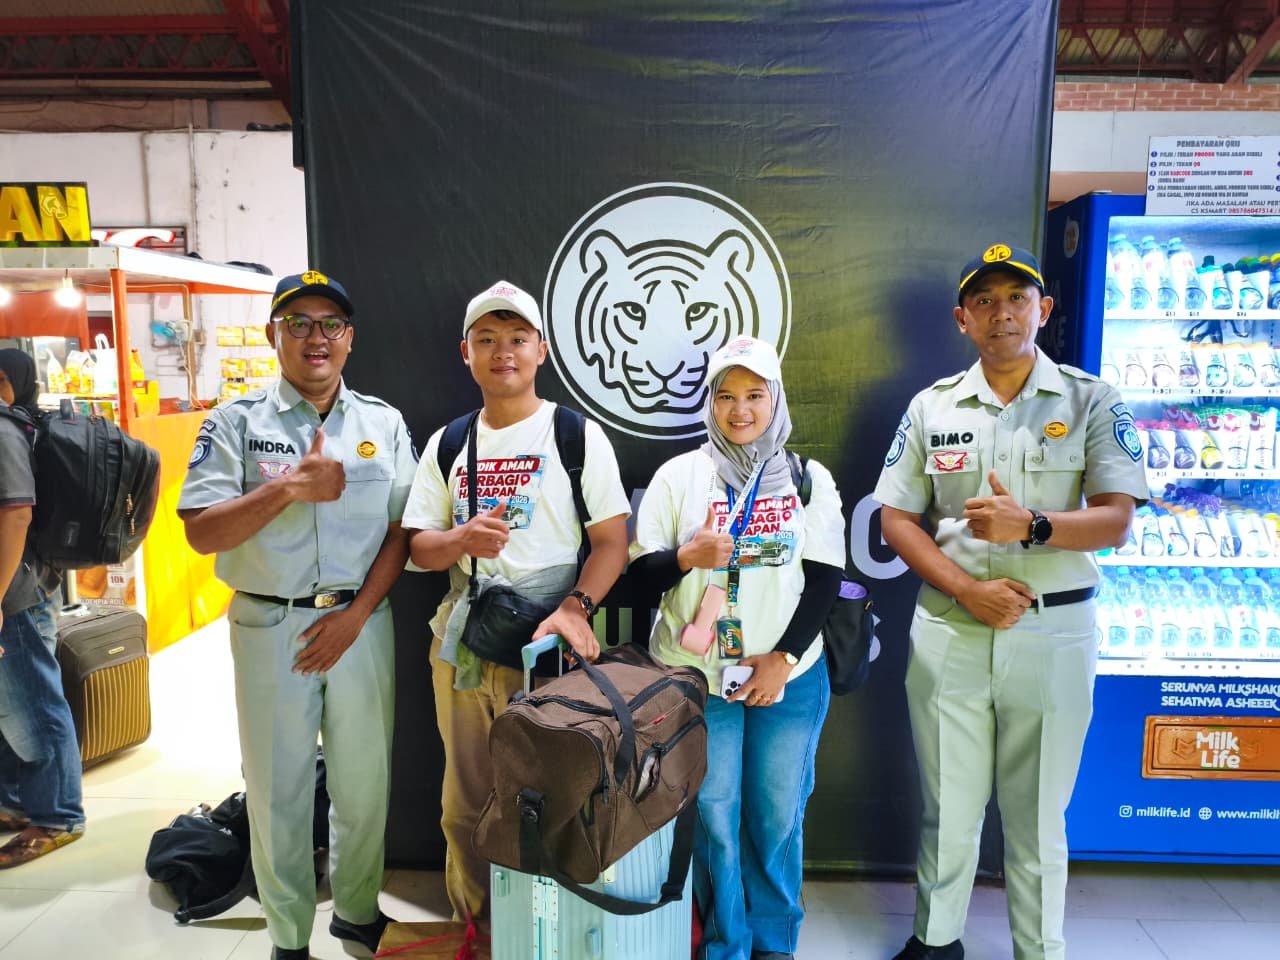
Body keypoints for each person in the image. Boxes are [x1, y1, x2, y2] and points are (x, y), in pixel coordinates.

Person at [873, 244, 1148, 960]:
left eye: (1017, 298)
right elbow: (896, 518)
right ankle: (936, 943)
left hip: (1052, 635)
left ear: (1043, 310)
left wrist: (1034, 525)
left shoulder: (1091, 398)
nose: (1003, 313)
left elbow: (1117, 519)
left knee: (1036, 817)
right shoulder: (932, 406)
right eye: (986, 301)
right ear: (963, 319)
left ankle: (1039, 950)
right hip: (951, 628)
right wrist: (967, 588)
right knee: (950, 808)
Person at [178, 271, 418, 960]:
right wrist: (288, 489)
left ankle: (357, 913)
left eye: (330, 324)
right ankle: (287, 936)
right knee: (277, 789)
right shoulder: (234, 422)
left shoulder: (383, 422)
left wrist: (356, 615)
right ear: (272, 335)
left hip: (360, 623)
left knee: (364, 784)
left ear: (350, 339)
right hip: (269, 625)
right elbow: (201, 531)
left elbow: (402, 533)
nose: (316, 337)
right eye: (299, 323)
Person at [401, 280, 630, 923]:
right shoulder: (449, 442)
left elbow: (613, 543)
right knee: (465, 800)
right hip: (463, 644)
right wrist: (460, 539)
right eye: (488, 340)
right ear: (465, 353)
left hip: (549, 648)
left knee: (548, 798)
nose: (504, 352)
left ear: (542, 350)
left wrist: (576, 606)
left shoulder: (574, 436)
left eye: (517, 339)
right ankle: (477, 928)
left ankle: (545, 931)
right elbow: (420, 547)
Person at [630, 337, 845, 960]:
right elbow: (641, 578)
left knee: (777, 817)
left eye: (755, 395)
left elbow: (827, 575)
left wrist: (782, 659)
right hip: (696, 675)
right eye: (726, 395)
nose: (740, 410)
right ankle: (727, 941)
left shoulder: (806, 478)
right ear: (710, 402)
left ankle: (774, 943)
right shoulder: (680, 476)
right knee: (717, 819)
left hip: (788, 675)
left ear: (775, 399)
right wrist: (685, 557)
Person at [0, 348, 82, 869]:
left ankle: (57, 815)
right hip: (13, 592)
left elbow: (15, 516)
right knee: (11, 705)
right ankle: (16, 802)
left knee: (35, 701)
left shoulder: (4, 430)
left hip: (18, 595)